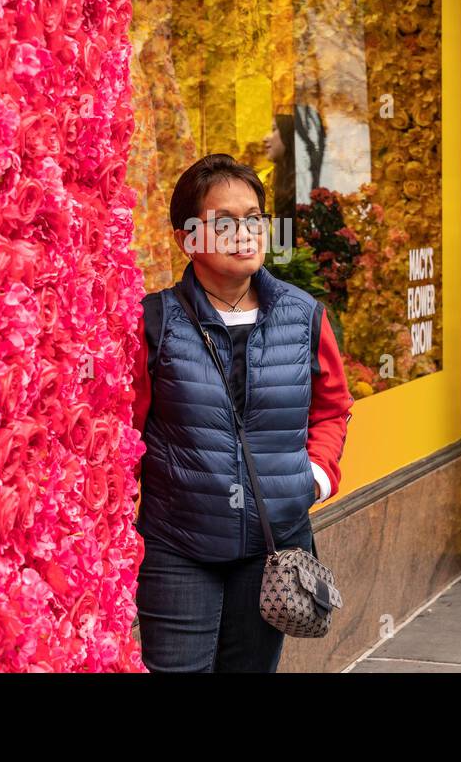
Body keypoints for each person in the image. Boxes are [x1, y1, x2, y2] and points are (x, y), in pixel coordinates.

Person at [130, 153, 354, 671]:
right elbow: (129, 429)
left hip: (272, 544)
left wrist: (314, 477)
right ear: (188, 239)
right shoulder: (156, 321)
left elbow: (333, 409)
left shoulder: (302, 316)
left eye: (253, 218)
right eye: (224, 222)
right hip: (178, 544)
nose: (245, 232)